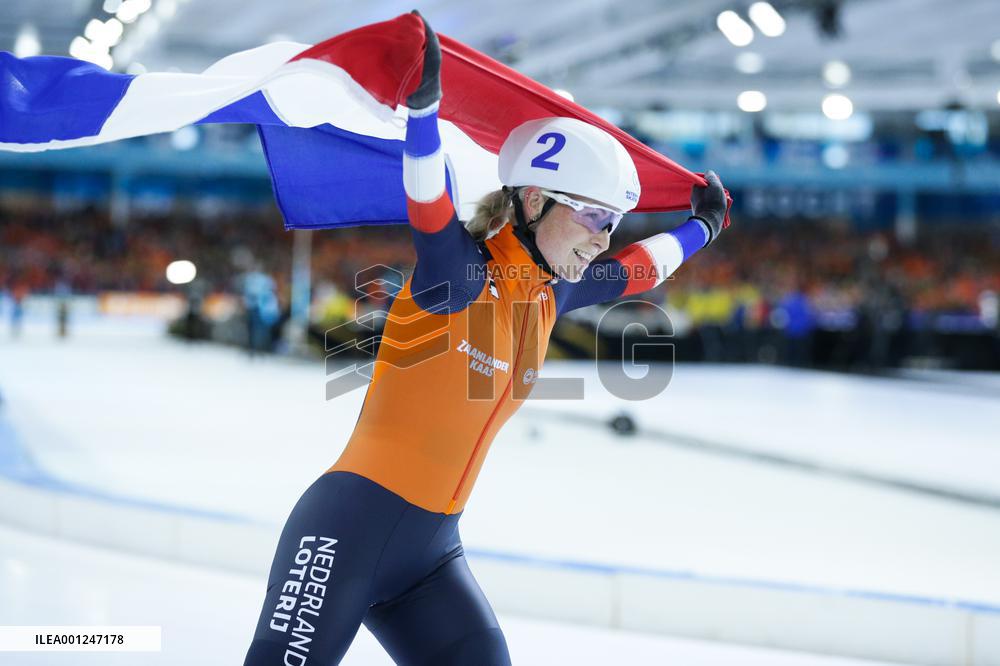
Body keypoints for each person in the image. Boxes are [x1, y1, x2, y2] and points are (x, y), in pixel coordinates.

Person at [243, 13, 729, 666]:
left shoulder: (553, 292)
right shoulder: (461, 275)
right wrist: (423, 117)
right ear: (533, 201)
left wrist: (704, 226)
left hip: (430, 559)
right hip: (347, 531)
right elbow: (430, 205)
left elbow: (638, 266)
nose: (603, 237)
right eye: (592, 215)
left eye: (612, 221)